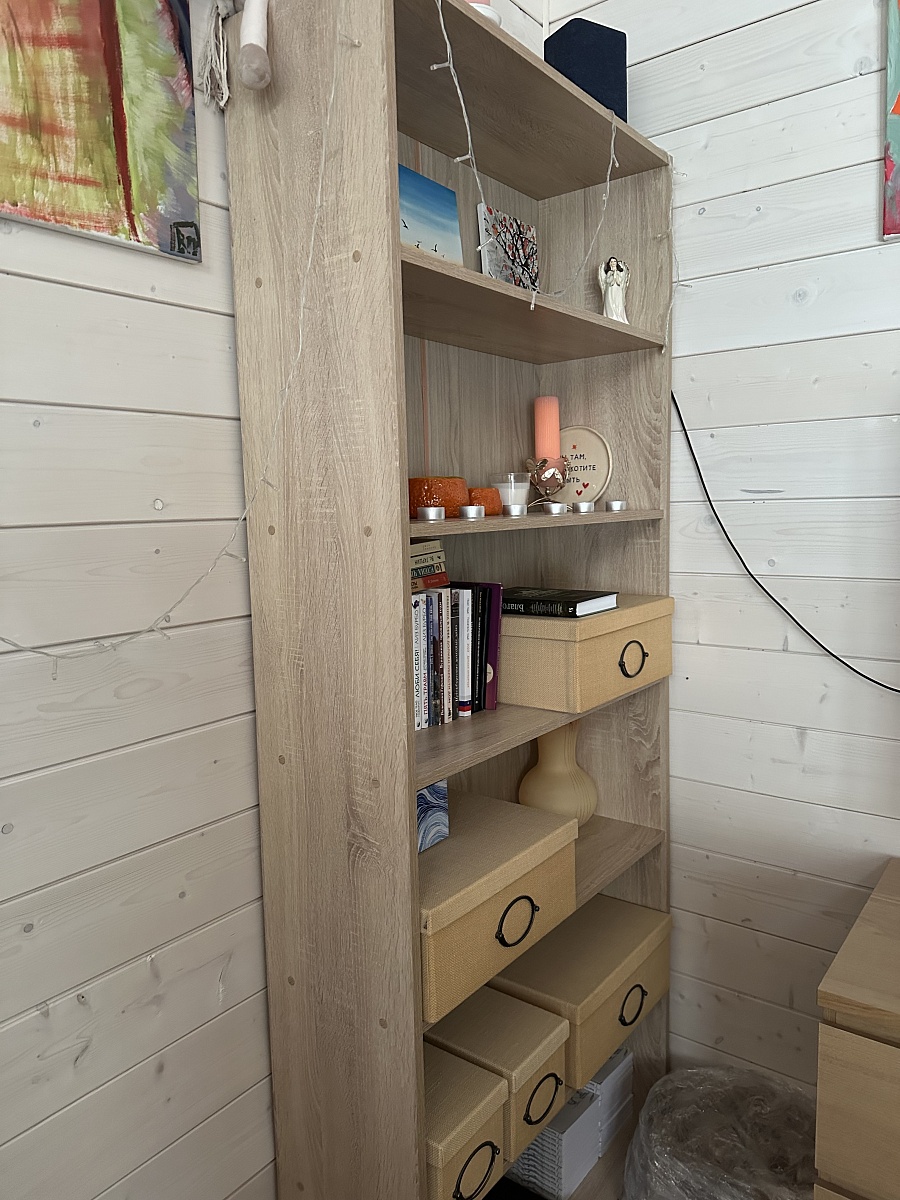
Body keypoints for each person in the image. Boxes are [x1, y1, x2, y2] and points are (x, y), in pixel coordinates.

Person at [599, 256, 630, 323]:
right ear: (609, 263)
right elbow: (608, 281)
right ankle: (611, 315)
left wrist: (616, 274)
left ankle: (619, 316)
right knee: (611, 301)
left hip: (617, 290)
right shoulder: (609, 273)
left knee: (618, 302)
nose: (613, 263)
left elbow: (619, 282)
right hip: (610, 289)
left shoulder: (619, 273)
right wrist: (613, 275)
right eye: (611, 262)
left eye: (614, 261)